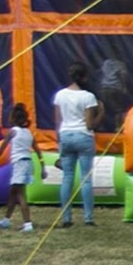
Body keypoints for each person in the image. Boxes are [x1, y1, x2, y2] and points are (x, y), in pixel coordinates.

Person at [53, 62, 103, 228]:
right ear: (84, 77)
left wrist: (58, 142)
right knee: (85, 179)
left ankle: (66, 218)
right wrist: (101, 113)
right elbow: (89, 124)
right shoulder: (88, 96)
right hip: (83, 136)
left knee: (67, 178)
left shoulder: (60, 95)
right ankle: (88, 217)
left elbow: (58, 121)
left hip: (65, 135)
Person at [0, 102, 41, 233]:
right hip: (27, 163)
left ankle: (28, 223)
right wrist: (42, 166)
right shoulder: (28, 132)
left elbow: (0, 150)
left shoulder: (13, 132)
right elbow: (38, 151)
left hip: (19, 164)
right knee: (13, 193)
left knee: (20, 195)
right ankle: (6, 220)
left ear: (14, 118)